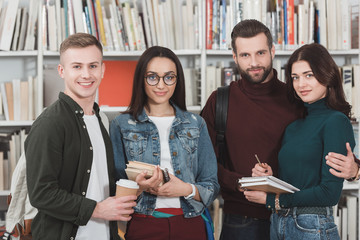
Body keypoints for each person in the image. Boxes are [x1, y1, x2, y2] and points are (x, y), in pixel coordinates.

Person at [200, 19, 358, 240]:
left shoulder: (298, 98)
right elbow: (203, 164)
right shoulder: (220, 101)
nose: (254, 62)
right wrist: (246, 183)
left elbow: (326, 141)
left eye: (261, 53)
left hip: (294, 219)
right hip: (241, 218)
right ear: (234, 57)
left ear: (272, 51)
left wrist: (356, 169)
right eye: (245, 55)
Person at [25, 33, 137, 240]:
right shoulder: (50, 123)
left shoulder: (101, 119)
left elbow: (99, 179)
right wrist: (97, 210)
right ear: (62, 71)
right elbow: (41, 194)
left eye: (93, 66)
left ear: (103, 70)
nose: (86, 74)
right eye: (77, 66)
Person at [244, 43, 356, 239]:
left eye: (309, 75)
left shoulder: (336, 122)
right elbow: (297, 181)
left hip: (311, 226)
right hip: (279, 222)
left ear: (327, 75)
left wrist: (273, 200)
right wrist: (270, 178)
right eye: (295, 77)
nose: (300, 84)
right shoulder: (294, 126)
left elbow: (329, 193)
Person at [109, 46, 220, 240]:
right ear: (141, 80)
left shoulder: (196, 124)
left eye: (169, 77)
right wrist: (140, 187)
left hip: (190, 223)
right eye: (153, 77)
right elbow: (115, 188)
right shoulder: (121, 125)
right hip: (143, 223)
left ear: (177, 80)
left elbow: (211, 186)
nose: (161, 85)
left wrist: (185, 189)